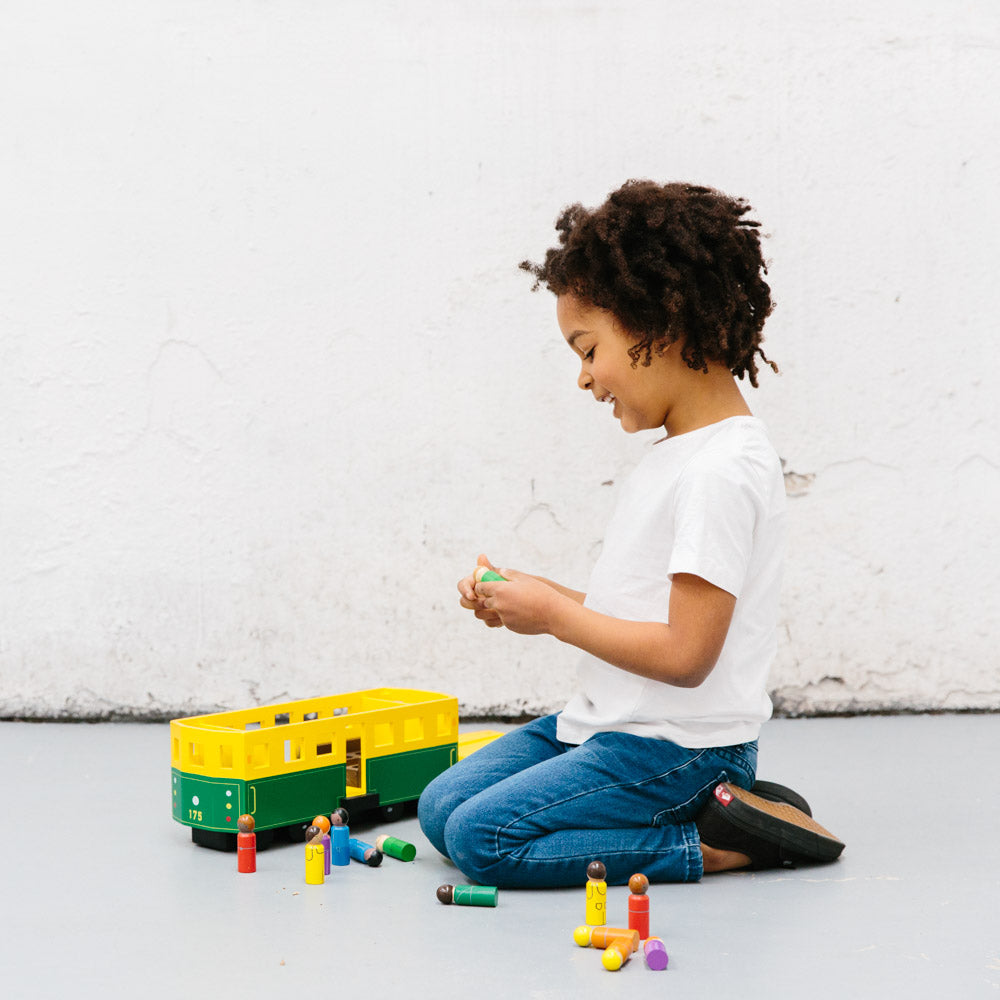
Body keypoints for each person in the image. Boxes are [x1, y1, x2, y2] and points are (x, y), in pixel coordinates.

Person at [418, 180, 844, 889]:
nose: (583, 379)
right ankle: (694, 818)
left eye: (588, 350)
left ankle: (719, 842)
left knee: (480, 838)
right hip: (611, 724)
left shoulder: (722, 469)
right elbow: (638, 611)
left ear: (656, 325)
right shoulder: (675, 455)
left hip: (679, 751)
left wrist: (555, 618)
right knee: (440, 808)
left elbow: (685, 655)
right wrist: (532, 595)